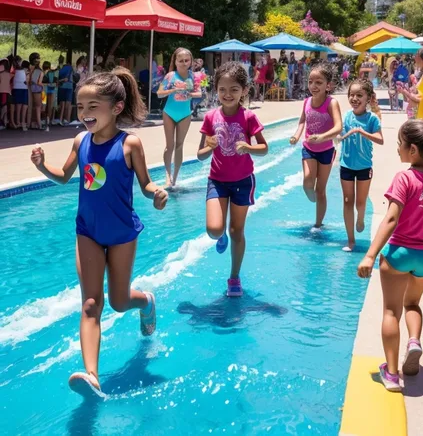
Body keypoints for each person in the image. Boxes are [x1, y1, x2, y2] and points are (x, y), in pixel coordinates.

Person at [30, 67, 168, 398]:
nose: (85, 114)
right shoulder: (81, 140)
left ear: (116, 108)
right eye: (81, 107)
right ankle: (92, 375)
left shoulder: (130, 144)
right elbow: (63, 176)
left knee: (119, 302)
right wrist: (40, 166)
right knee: (91, 302)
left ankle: (145, 301)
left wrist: (157, 194)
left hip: (121, 233)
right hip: (88, 232)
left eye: (93, 107)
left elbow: (146, 184)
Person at [357, 118, 423, 392]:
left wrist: (370, 254)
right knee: (412, 304)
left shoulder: (405, 178)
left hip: (399, 254)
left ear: (412, 150)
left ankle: (391, 374)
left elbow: (390, 219)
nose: (397, 149)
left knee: (391, 310)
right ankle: (414, 341)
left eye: (400, 145)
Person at [197, 62, 268, 296]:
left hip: (242, 181)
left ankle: (234, 277)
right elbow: (200, 155)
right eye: (222, 89)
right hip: (217, 180)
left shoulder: (248, 117)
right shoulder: (210, 117)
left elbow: (264, 148)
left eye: (234, 89)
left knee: (238, 231)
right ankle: (221, 235)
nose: (227, 95)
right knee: (214, 229)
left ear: (244, 91)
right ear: (215, 90)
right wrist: (209, 148)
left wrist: (248, 147)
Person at [289, 64, 343, 229]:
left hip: (326, 150)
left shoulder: (331, 103)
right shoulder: (306, 102)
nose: (313, 86)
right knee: (307, 181)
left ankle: (318, 224)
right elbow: (302, 122)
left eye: (319, 82)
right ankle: (312, 196)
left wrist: (322, 137)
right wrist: (296, 136)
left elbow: (338, 127)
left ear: (328, 85)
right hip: (309, 148)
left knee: (321, 189)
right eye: (311, 81)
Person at [339, 79, 384, 252]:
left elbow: (380, 139)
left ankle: (361, 218)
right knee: (347, 201)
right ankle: (351, 240)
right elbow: (338, 133)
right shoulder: (346, 117)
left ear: (368, 98)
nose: (355, 98)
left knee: (360, 202)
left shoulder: (372, 119)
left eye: (359, 95)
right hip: (346, 165)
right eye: (352, 95)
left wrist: (361, 131)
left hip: (364, 167)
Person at [157, 47, 202, 188]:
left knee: (179, 145)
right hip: (169, 113)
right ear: (175, 61)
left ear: (191, 62)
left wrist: (190, 94)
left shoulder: (195, 76)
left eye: (186, 60)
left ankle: (174, 178)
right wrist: (173, 90)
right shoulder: (170, 76)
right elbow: (159, 93)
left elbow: (200, 93)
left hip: (185, 114)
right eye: (180, 60)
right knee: (169, 146)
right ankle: (167, 175)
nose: (183, 63)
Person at [12, 59, 29, 131]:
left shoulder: (15, 71)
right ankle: (22, 123)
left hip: (17, 88)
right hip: (23, 89)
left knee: (19, 106)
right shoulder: (26, 72)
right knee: (23, 106)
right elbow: (27, 82)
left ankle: (19, 122)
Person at [29, 52, 44, 130]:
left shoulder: (31, 68)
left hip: (33, 88)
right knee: (39, 106)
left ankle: (34, 123)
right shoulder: (38, 70)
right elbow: (37, 81)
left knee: (35, 106)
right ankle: (39, 124)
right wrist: (42, 85)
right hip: (37, 89)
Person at [58, 56, 74, 126]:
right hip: (69, 86)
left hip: (62, 86)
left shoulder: (60, 68)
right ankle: (66, 120)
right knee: (67, 104)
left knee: (62, 104)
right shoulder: (71, 68)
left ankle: (61, 119)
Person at [42, 61, 57, 132]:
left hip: (44, 90)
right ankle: (48, 122)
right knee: (50, 106)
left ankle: (44, 121)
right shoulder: (52, 73)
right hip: (52, 89)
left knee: (44, 105)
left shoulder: (43, 72)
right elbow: (55, 81)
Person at [0, 58, 12, 130]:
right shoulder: (10, 74)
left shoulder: (1, 74)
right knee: (5, 107)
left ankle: (3, 121)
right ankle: (3, 121)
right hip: (7, 92)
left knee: (4, 107)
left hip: (2, 92)